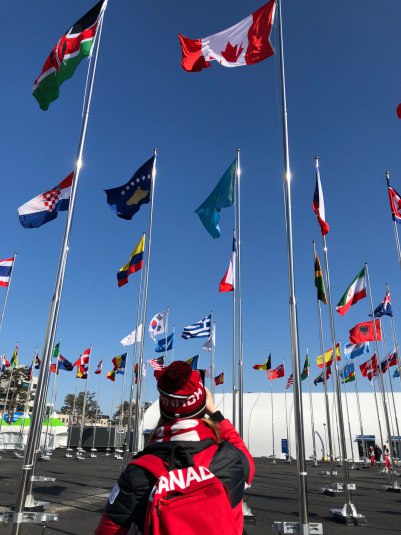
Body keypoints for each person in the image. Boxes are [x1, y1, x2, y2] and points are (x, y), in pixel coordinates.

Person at [95, 361, 255, 535]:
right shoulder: (230, 460)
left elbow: (109, 530)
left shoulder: (137, 473)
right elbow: (245, 457)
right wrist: (215, 413)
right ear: (202, 404)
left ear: (163, 408)